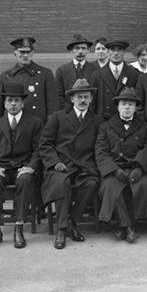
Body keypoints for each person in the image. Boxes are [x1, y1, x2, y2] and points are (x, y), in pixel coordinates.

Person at [0, 81, 44, 250]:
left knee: (26, 179)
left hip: (23, 168)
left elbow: (39, 150)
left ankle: (19, 227)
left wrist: (31, 167)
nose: (13, 104)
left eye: (17, 100)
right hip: (1, 168)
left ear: (23, 103)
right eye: (10, 100)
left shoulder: (34, 123)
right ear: (4, 103)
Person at [39, 78, 100, 249]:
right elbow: (45, 144)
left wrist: (92, 166)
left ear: (91, 99)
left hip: (84, 167)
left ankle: (73, 221)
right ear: (72, 98)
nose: (82, 100)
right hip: (61, 166)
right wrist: (55, 162)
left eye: (86, 97)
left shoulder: (97, 120)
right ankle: (61, 229)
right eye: (79, 97)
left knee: (91, 184)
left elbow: (100, 147)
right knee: (62, 183)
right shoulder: (58, 117)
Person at [95, 87, 147, 244]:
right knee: (110, 186)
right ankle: (128, 227)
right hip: (115, 168)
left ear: (135, 107)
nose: (127, 107)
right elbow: (101, 152)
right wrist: (115, 171)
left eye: (131, 104)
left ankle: (125, 226)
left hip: (136, 168)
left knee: (144, 184)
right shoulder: (105, 127)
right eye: (123, 104)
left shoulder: (144, 126)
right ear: (118, 106)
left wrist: (139, 168)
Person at [0, 36, 60, 124]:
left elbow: (52, 105)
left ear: (32, 53)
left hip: (38, 126)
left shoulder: (45, 74)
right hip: (14, 125)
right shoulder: (6, 76)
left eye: (28, 52)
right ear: (15, 53)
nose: (25, 55)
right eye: (22, 52)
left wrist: (51, 127)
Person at [88, 40, 141, 122]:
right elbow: (92, 102)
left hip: (126, 120)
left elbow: (139, 101)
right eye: (112, 50)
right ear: (108, 52)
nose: (116, 53)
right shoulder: (97, 75)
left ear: (124, 52)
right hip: (104, 121)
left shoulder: (134, 74)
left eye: (119, 50)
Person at [55, 34, 98, 110]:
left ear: (88, 51)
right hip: (68, 112)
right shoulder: (62, 70)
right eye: (77, 48)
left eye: (83, 48)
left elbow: (98, 94)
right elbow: (58, 95)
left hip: (90, 112)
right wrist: (71, 111)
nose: (80, 51)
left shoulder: (96, 70)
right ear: (71, 51)